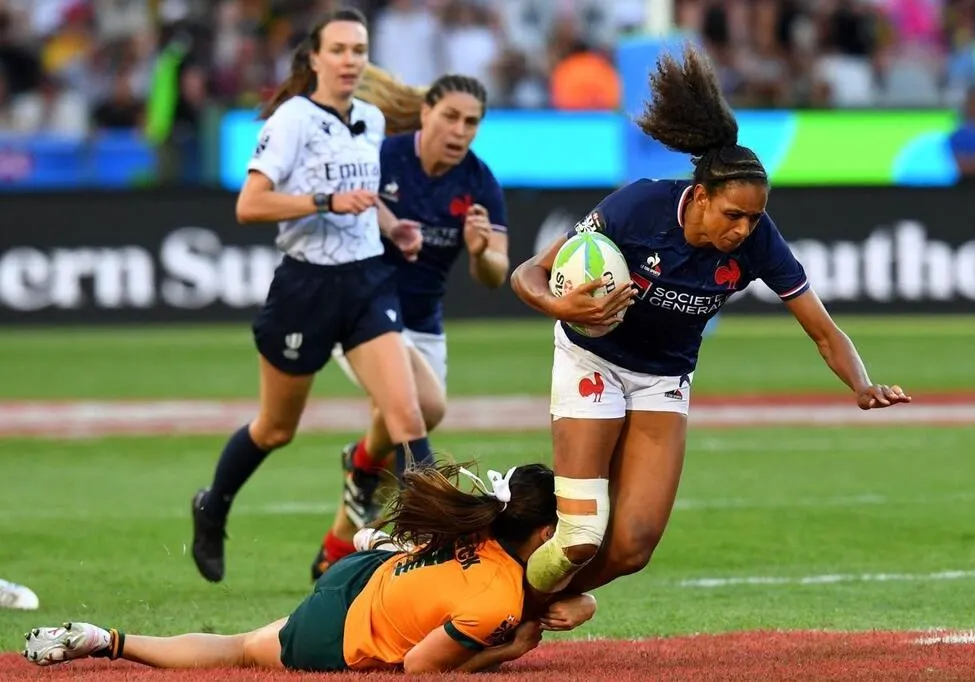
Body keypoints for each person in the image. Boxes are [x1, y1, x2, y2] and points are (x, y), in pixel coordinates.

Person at [509, 44, 912, 619]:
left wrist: (862, 383)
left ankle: (520, 606)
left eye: (754, 218)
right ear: (699, 196)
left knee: (633, 545)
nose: (744, 230)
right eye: (733, 216)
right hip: (590, 360)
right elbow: (530, 273)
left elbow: (824, 331)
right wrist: (563, 307)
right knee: (580, 533)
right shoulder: (639, 207)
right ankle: (498, 601)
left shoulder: (760, 242)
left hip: (663, 380)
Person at [189, 8, 434, 585]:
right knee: (276, 428)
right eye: (340, 50)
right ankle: (213, 505)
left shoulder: (370, 119)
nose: (351, 60)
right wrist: (323, 202)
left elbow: (363, 196)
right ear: (315, 58)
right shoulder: (292, 120)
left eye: (359, 50)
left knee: (407, 414)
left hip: (366, 280)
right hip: (306, 288)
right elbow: (250, 205)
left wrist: (392, 224)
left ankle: (441, 538)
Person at [24, 464, 598, 674]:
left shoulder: (480, 521)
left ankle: (109, 638)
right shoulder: (498, 599)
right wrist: (512, 650)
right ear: (546, 535)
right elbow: (423, 667)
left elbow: (526, 587)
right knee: (241, 649)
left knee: (240, 644)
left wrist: (580, 604)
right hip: (342, 629)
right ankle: (108, 641)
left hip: (363, 572)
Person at [311, 72, 510, 581]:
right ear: (426, 113)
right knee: (422, 408)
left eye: (471, 122)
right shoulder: (382, 155)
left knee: (399, 414)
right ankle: (425, 528)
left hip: (422, 325)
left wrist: (480, 251)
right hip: (360, 310)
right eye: (450, 116)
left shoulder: (480, 181)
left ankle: (340, 533)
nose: (460, 130)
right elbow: (337, 204)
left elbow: (496, 275)